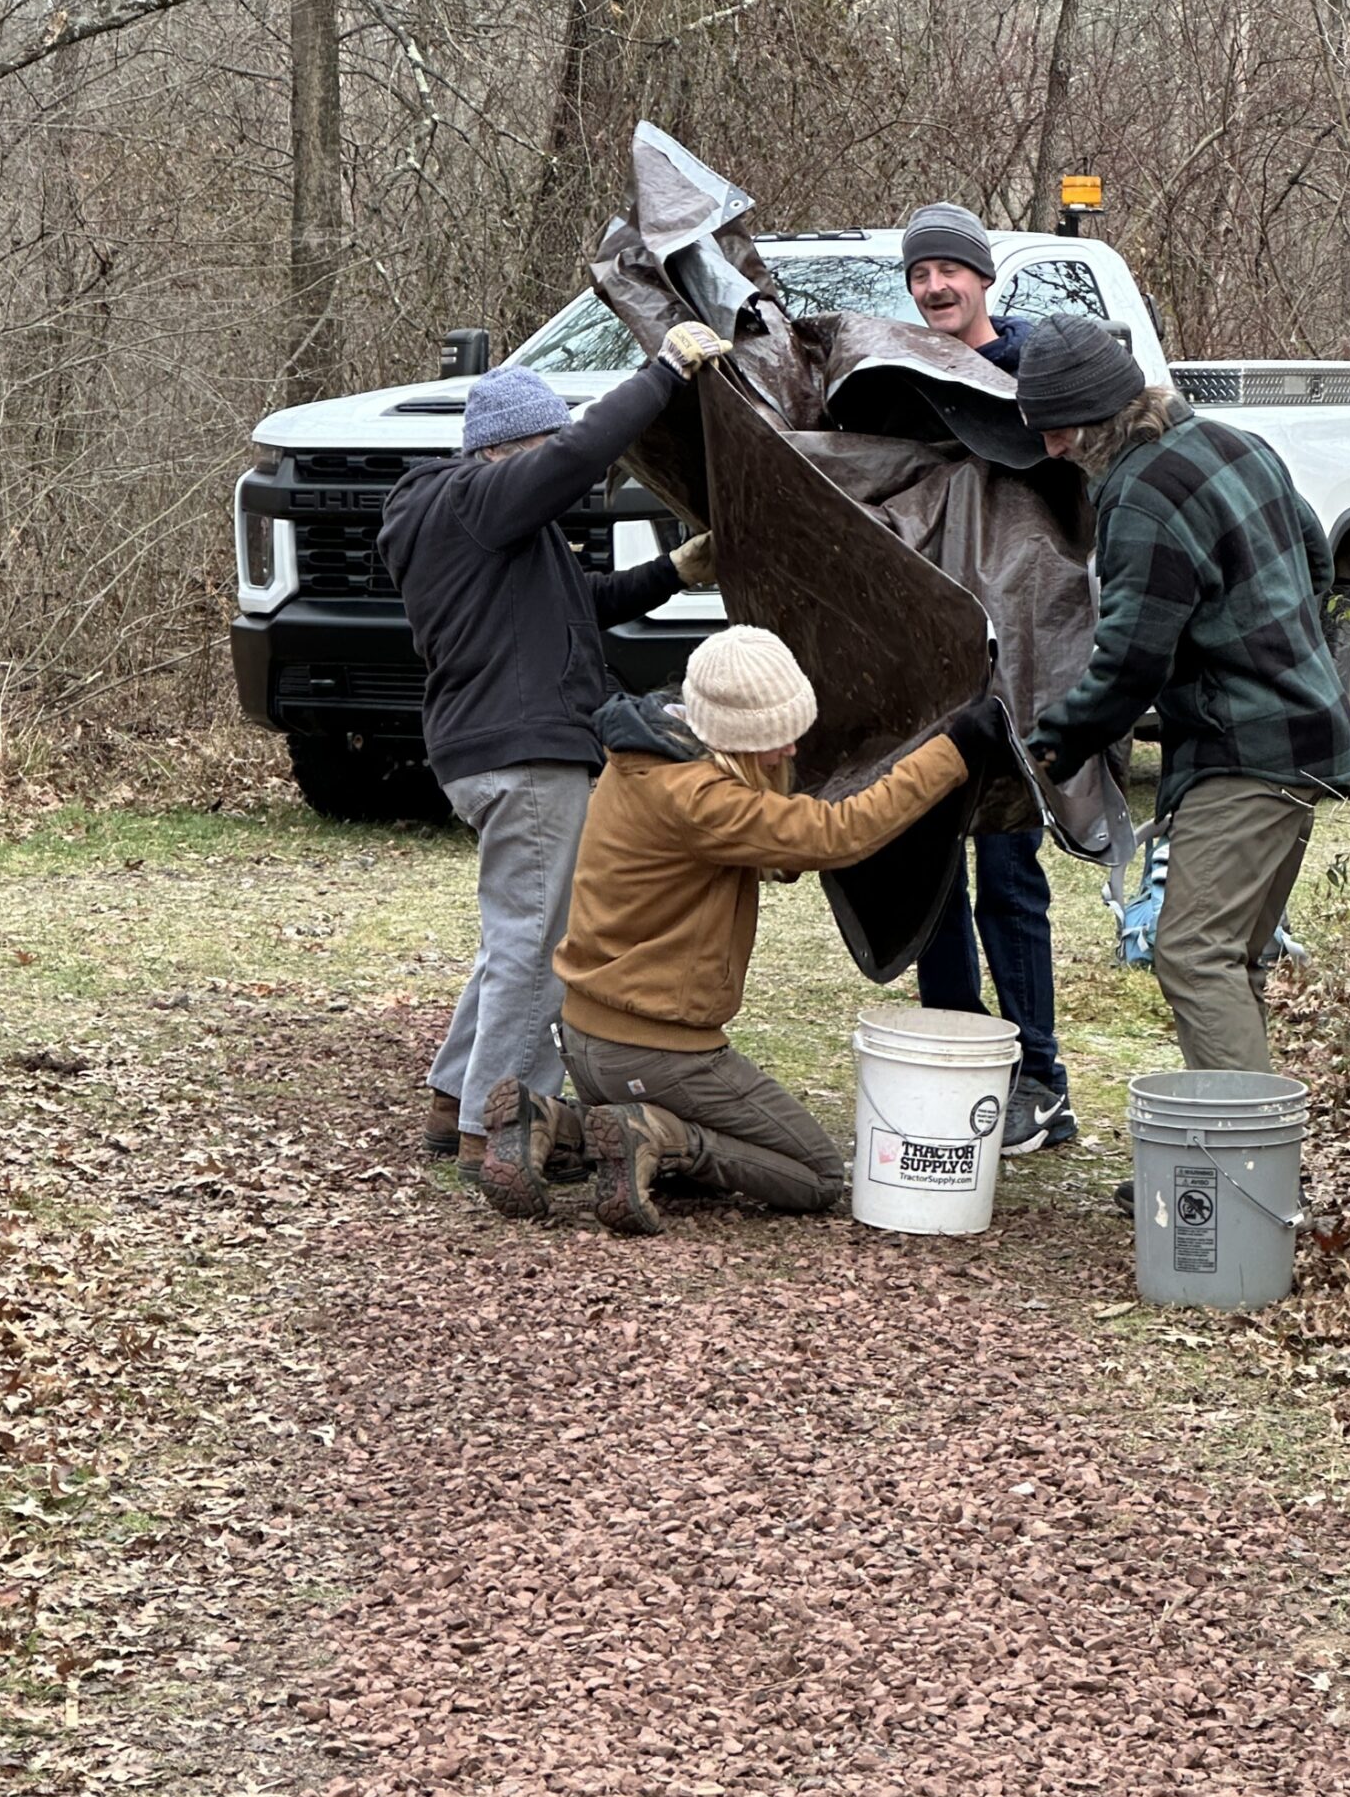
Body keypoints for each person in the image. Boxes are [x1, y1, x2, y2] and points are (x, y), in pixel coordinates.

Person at [475, 625, 1001, 1231]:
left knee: (733, 1147)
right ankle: (659, 1134)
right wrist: (952, 751)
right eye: (773, 741)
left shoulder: (648, 754)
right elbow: (840, 833)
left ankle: (552, 1122)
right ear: (733, 736)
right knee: (816, 1174)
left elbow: (751, 845)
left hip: (589, 1040)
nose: (789, 753)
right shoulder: (699, 797)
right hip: (656, 1051)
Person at [1014, 315, 1350, 1210]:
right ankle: (1212, 1155)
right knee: (1232, 959)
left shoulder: (1139, 497)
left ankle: (1249, 1185)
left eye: (1056, 426)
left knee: (1192, 954)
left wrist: (1061, 737)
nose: (1052, 446)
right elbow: (1318, 556)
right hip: (1303, 738)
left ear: (1096, 418)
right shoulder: (1235, 444)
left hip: (1245, 755)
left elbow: (1132, 656)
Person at [378, 328, 730, 1176]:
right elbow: (573, 455)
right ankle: (499, 1130)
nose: (567, 485)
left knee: (516, 938)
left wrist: (677, 572)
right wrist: (664, 373)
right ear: (509, 451)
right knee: (542, 945)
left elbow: (584, 601)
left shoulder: (484, 528)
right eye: (542, 456)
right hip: (526, 749)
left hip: (492, 745)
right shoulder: (477, 497)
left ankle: (450, 1100)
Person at [898, 199, 1076, 1155]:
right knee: (931, 872)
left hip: (1022, 668)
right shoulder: (901, 379)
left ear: (981, 278)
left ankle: (1039, 1078)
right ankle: (960, 1062)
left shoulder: (1039, 371)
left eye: (947, 272)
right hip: (929, 673)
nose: (933, 288)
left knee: (1009, 874)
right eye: (920, 275)